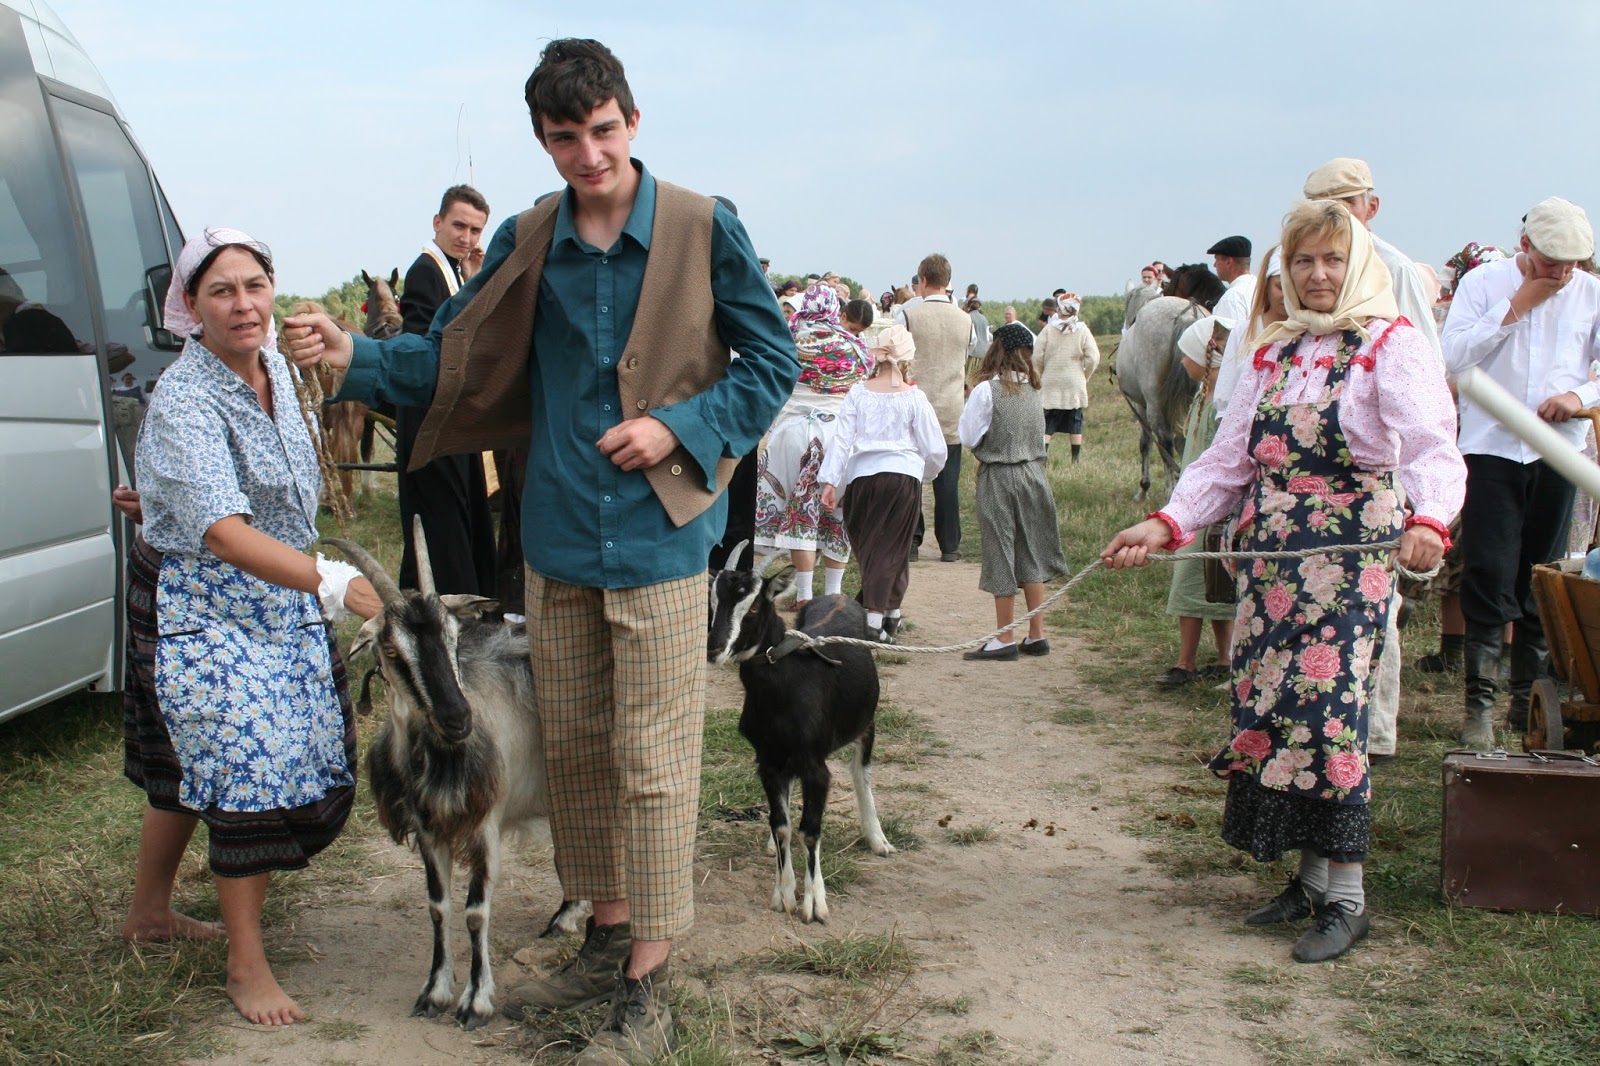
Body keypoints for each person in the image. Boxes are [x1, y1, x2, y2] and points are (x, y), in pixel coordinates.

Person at [283, 40, 796, 1063]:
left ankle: (648, 980)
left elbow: (772, 360)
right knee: (576, 747)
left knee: (652, 758)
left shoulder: (703, 226)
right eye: (566, 138)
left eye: (603, 131)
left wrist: (679, 427)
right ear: (543, 139)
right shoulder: (527, 237)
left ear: (632, 121)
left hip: (659, 538)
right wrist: (354, 356)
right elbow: (455, 352)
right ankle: (606, 929)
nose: (588, 155)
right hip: (556, 537)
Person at [1102, 200, 1461, 963]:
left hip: (1348, 564)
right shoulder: (1274, 353)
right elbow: (1227, 460)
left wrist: (1430, 519)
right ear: (1285, 270)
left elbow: (1433, 444)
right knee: (1277, 707)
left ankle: (1348, 900)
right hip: (1270, 565)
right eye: (1303, 261)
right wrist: (1166, 524)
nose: (1318, 274)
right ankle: (1311, 880)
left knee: (1329, 714)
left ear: (1357, 264)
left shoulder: (1390, 345)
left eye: (1332, 259)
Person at [118, 229, 381, 1026]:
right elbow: (227, 535)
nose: (243, 304)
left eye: (255, 285)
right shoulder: (186, 396)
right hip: (200, 600)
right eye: (222, 291)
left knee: (190, 760)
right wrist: (334, 580)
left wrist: (164, 494)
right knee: (246, 762)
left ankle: (149, 914)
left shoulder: (276, 371)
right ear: (190, 307)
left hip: (273, 593)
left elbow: (251, 490)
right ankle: (245, 964)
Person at [1443, 196, 1600, 749]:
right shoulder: (1484, 283)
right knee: (1488, 569)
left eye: (1571, 263)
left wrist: (1579, 396)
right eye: (1552, 261)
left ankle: (1527, 699)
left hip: (1557, 450)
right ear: (1525, 244)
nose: (1561, 274)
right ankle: (1479, 707)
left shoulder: (1590, 292)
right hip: (1491, 446)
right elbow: (1455, 357)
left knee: (1541, 574)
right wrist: (1517, 306)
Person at [1303, 158, 1446, 760]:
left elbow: (1425, 390)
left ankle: (1373, 738)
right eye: (1322, 206)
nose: (1319, 270)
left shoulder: (1395, 274)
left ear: (1371, 206)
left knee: (1373, 621)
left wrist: (1427, 508)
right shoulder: (1297, 281)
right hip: (1291, 520)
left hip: (1370, 493)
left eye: (1346, 204)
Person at [1159, 248, 1287, 687]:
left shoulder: (1224, 406)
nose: (1184, 363)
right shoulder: (1207, 400)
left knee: (1214, 583)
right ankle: (1198, 659)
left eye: (1188, 355)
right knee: (1202, 583)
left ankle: (1221, 658)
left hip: (1216, 510)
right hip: (1197, 504)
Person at [395, 186, 497, 597]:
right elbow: (426, 346)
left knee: (457, 517)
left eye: (475, 230)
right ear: (437, 222)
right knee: (443, 521)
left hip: (451, 417)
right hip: (430, 419)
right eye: (459, 226)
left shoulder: (452, 270)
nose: (466, 237)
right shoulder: (425, 271)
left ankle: (434, 596)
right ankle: (450, 604)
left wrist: (473, 280)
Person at [817, 324, 946, 643]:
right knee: (890, 548)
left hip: (863, 480)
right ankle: (879, 619)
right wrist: (924, 474)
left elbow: (841, 441)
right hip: (901, 479)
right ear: (908, 360)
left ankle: (885, 614)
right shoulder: (914, 398)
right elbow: (935, 449)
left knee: (877, 548)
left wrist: (830, 482)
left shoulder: (858, 393)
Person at [959, 322, 1069, 661]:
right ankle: (1037, 634)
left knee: (1000, 552)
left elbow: (969, 436)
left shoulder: (987, 391)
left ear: (997, 349)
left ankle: (1004, 637)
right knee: (1031, 551)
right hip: (1034, 475)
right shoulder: (1035, 389)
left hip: (1000, 476)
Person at [754, 284, 871, 602]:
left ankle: (804, 594)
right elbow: (864, 386)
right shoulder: (853, 346)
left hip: (793, 435)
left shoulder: (787, 339)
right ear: (835, 309)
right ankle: (833, 593)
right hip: (839, 436)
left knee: (800, 511)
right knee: (838, 514)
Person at [898, 253, 974, 562]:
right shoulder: (966, 319)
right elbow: (968, 352)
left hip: (915, 405)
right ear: (948, 281)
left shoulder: (908, 315)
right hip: (951, 405)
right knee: (948, 480)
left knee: (911, 478)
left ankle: (912, 540)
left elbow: (899, 356)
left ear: (923, 280)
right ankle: (950, 544)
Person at [1033, 294, 1101, 463]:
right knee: (1075, 420)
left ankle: (1042, 458)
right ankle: (1075, 460)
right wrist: (1084, 376)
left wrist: (1039, 375)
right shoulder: (1083, 330)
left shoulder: (1048, 329)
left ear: (1061, 308)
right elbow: (1093, 358)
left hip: (1051, 380)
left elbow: (1037, 357)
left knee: (1047, 422)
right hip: (1074, 381)